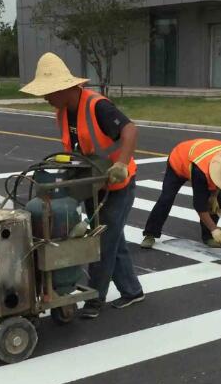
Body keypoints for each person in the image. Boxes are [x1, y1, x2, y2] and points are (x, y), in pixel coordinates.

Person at [21, 52, 144, 319]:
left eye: (49, 92)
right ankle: (133, 291)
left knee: (102, 240)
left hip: (119, 183)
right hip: (91, 183)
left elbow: (130, 130)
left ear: (66, 89)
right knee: (113, 239)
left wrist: (121, 164)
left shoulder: (98, 106)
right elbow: (76, 152)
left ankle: (94, 299)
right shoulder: (63, 113)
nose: (45, 98)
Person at [141, 139, 221, 248]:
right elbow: (199, 205)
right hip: (179, 161)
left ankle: (208, 236)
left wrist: (214, 196)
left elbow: (220, 182)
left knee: (216, 202)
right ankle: (150, 234)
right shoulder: (201, 172)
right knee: (166, 198)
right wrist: (215, 229)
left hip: (200, 160)